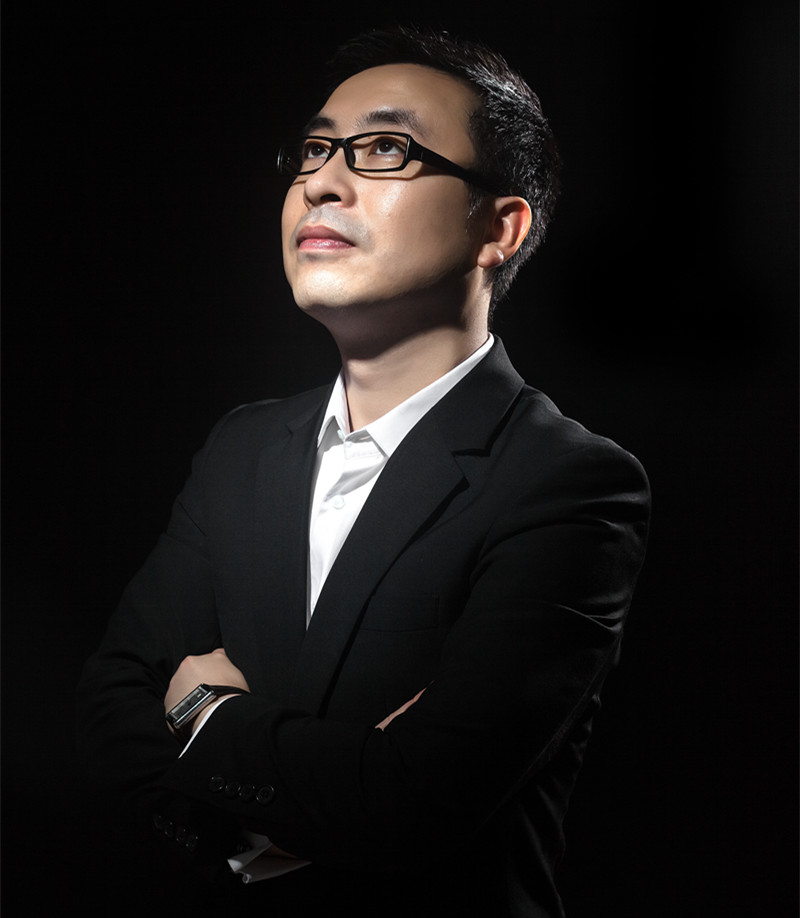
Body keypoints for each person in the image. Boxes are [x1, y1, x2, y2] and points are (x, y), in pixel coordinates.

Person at [76, 25, 650, 918]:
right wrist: (310, 794)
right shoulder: (243, 448)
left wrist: (203, 716)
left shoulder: (570, 483)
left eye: (385, 149)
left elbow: (415, 799)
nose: (320, 182)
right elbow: (108, 718)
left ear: (499, 227)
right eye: (313, 150)